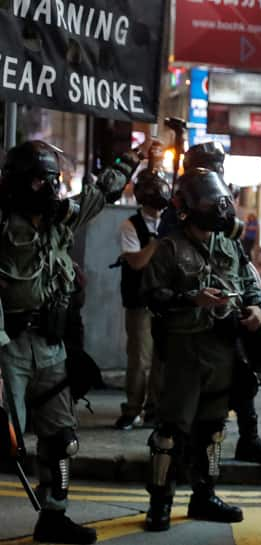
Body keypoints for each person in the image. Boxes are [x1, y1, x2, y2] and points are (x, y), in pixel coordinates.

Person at [0, 140, 134, 544]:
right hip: (10, 350)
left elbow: (98, 195)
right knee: (3, 439)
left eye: (54, 180)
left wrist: (130, 160)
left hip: (52, 347)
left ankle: (54, 516)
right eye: (41, 179)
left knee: (62, 439)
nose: (51, 188)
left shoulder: (60, 221)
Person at [141, 168, 261, 532]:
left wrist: (257, 309)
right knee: (170, 432)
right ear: (189, 207)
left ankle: (205, 495)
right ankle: (160, 502)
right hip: (184, 351)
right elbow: (150, 296)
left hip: (222, 349)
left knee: (212, 430)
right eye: (211, 200)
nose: (219, 206)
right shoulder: (169, 248)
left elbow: (250, 284)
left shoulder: (229, 246)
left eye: (221, 199)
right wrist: (191, 298)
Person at [170, 141, 261, 465]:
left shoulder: (222, 219)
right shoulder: (179, 216)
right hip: (189, 334)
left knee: (242, 382)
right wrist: (191, 298)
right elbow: (162, 278)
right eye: (210, 165)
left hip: (226, 326)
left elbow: (244, 270)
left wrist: (258, 307)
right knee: (182, 410)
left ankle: (245, 441)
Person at [115, 169, 170, 431]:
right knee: (139, 359)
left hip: (166, 301)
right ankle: (132, 409)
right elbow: (136, 262)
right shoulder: (130, 225)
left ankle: (155, 410)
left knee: (163, 359)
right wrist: (158, 242)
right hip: (140, 302)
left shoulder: (169, 223)